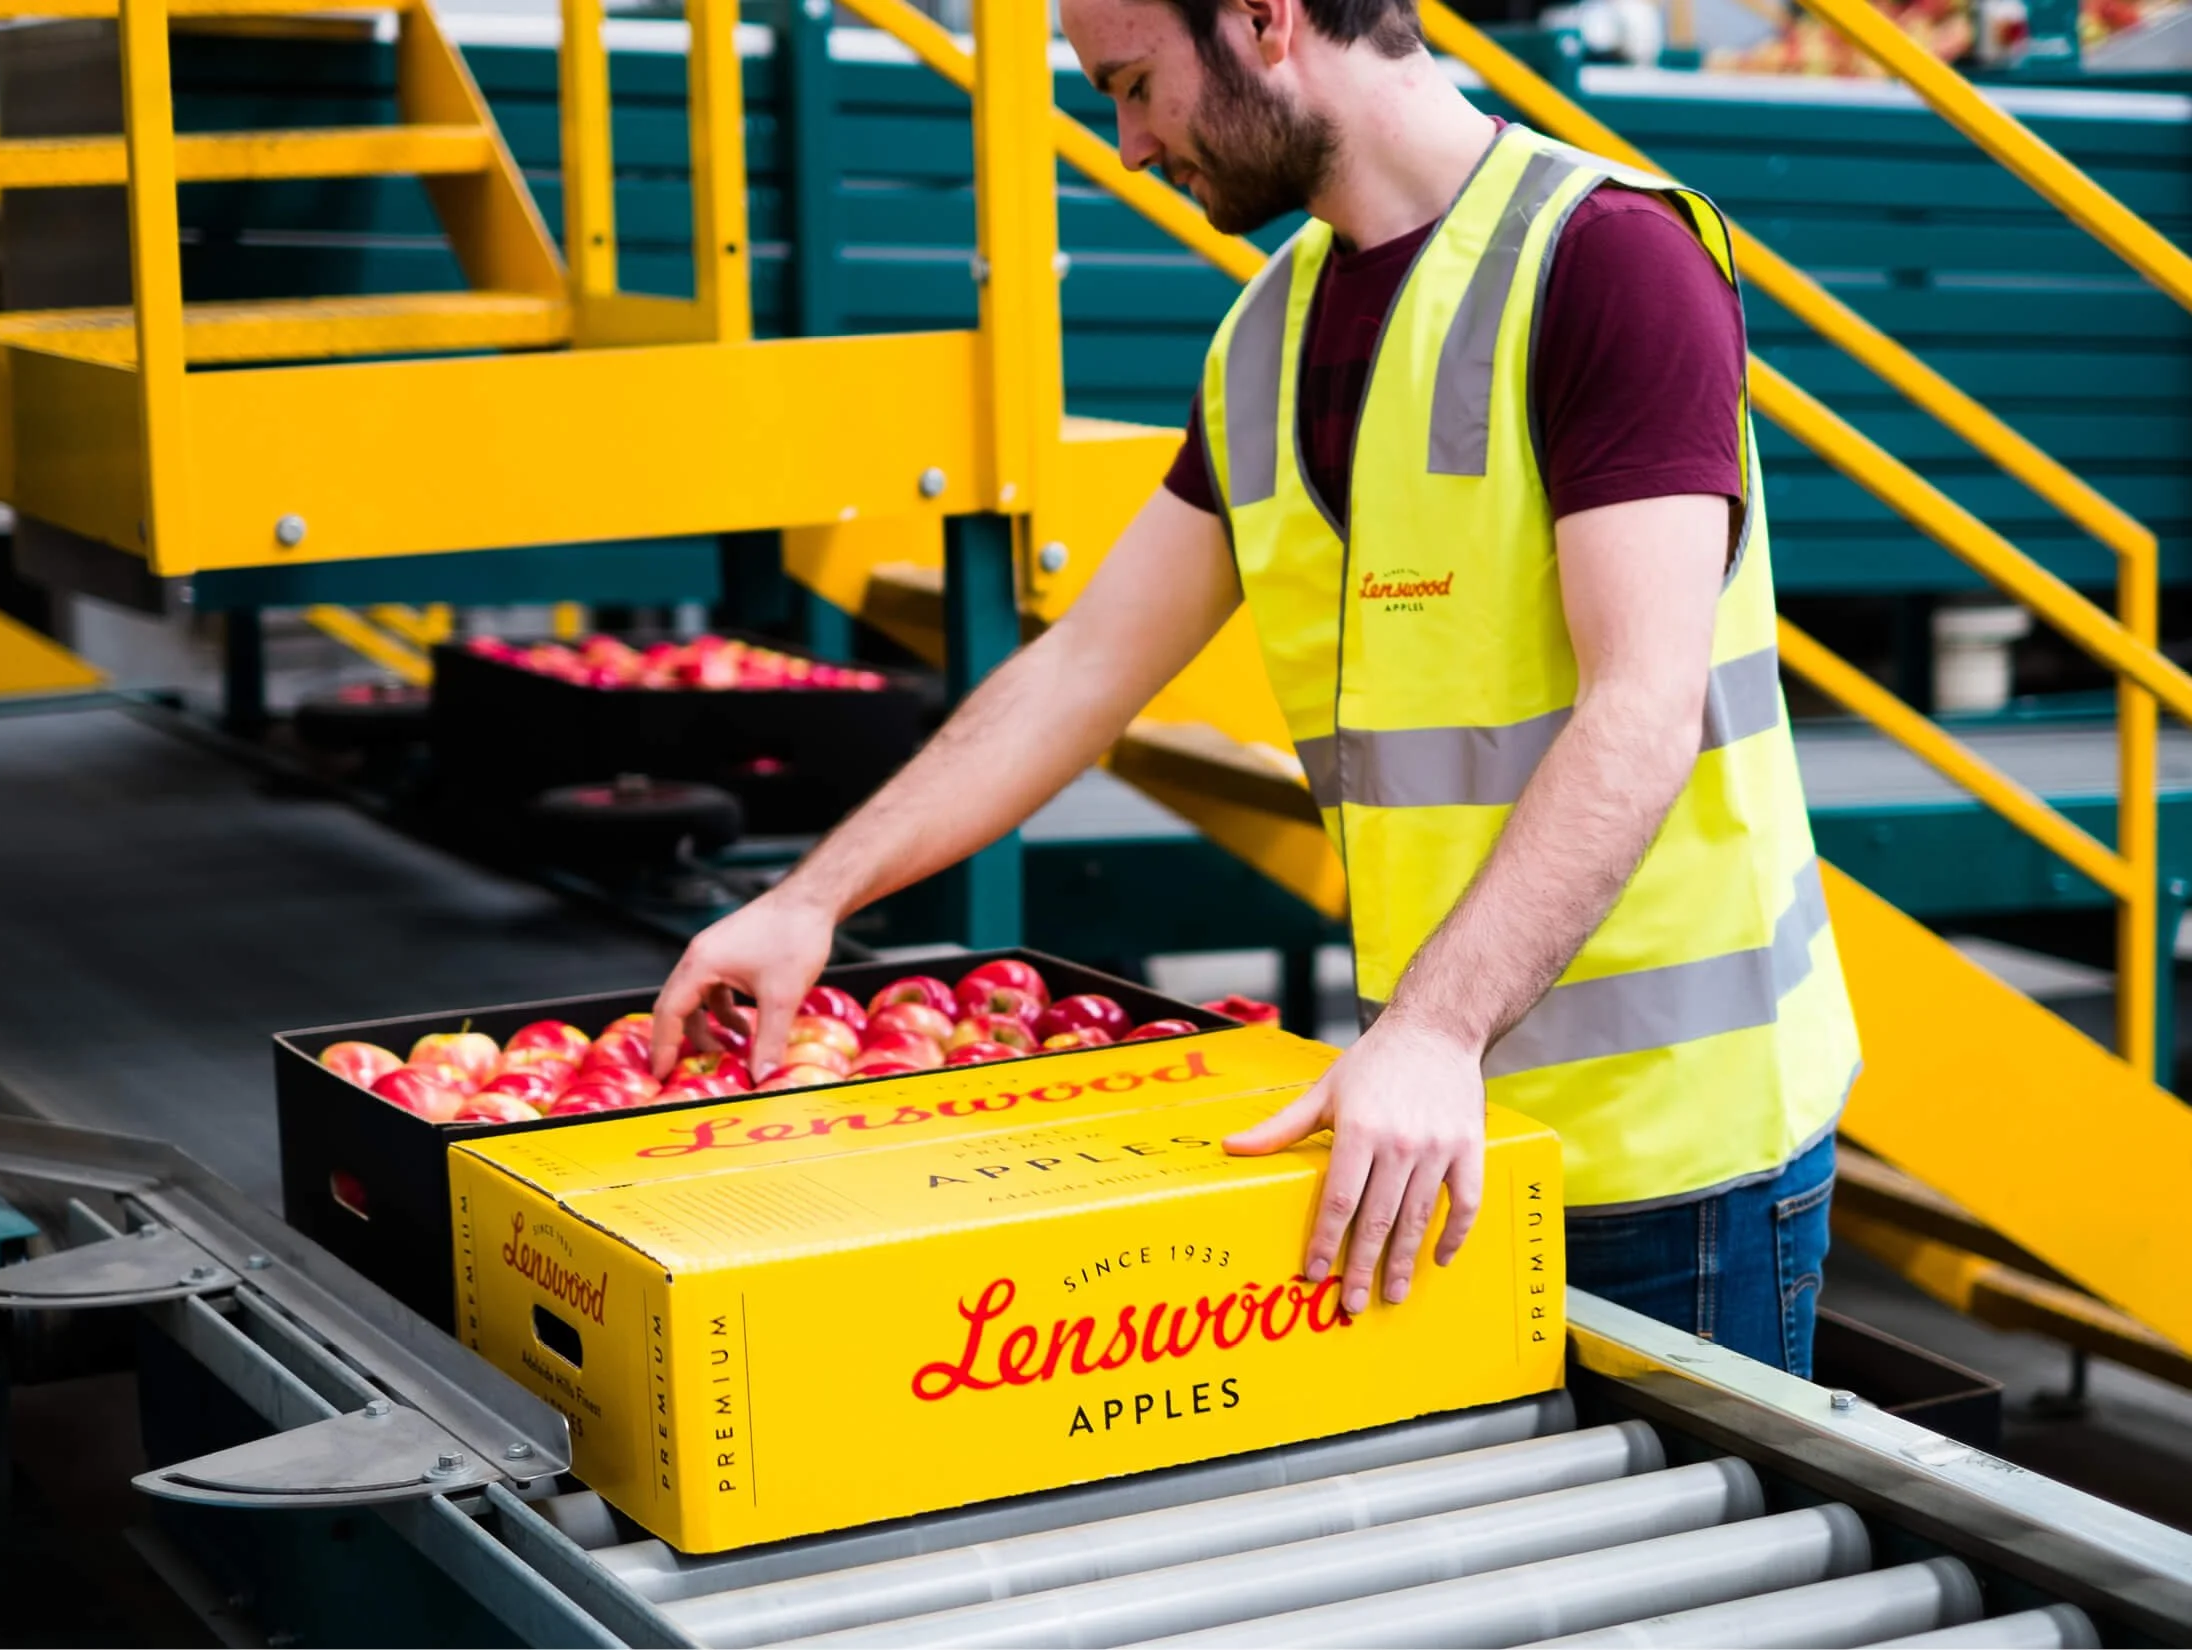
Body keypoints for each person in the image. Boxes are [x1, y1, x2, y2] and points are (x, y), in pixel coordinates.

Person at [652, 0, 1861, 1376]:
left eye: (1136, 85)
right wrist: (813, 898)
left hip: (1669, 1156)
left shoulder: (1608, 259)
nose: (1128, 142)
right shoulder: (1266, 336)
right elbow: (1086, 668)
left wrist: (1435, 1026)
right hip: (1430, 1120)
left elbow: (1640, 706)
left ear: (1265, 18)